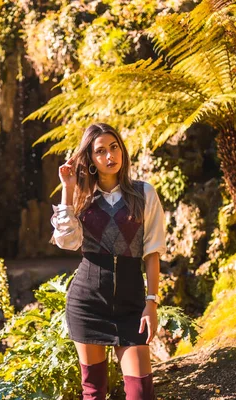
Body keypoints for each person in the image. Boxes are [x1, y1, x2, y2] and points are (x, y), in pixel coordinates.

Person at [50, 123, 166, 400]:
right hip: (87, 303)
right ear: (90, 159)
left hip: (131, 305)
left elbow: (152, 251)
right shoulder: (81, 196)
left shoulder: (144, 194)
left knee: (141, 393)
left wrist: (151, 302)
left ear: (122, 150)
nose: (109, 156)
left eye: (114, 147)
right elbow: (67, 241)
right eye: (100, 151)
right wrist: (67, 189)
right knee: (94, 392)